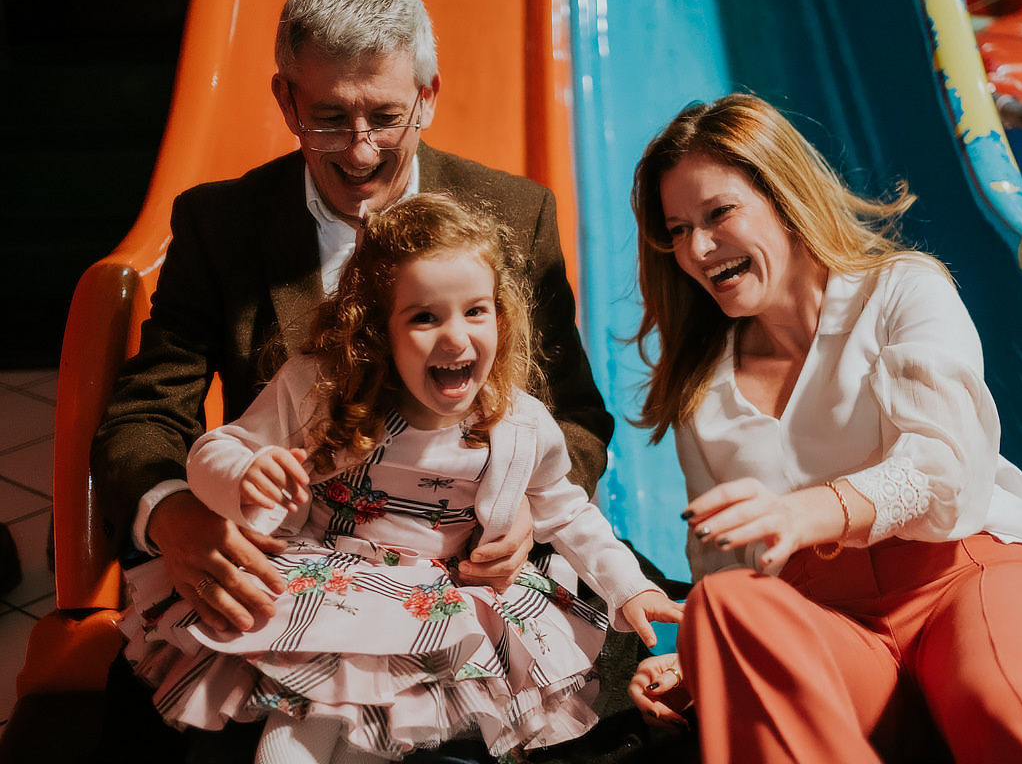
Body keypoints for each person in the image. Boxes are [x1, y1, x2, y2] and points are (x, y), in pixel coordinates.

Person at [90, 0, 613, 761]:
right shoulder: (219, 222)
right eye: (329, 118)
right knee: (148, 722)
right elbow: (146, 413)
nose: (361, 148)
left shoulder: (514, 212)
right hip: (294, 566)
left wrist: (527, 514)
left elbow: (574, 416)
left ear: (428, 97)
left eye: (386, 116)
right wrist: (175, 515)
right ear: (286, 101)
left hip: (461, 574)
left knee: (607, 713)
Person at [623, 94, 1022, 763]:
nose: (698, 247)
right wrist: (699, 660)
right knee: (725, 603)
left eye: (718, 213)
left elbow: (942, 469)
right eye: (678, 229)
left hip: (964, 576)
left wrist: (809, 513)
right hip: (835, 632)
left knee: (1004, 703)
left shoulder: (900, 291)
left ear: (785, 197)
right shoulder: (699, 391)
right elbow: (729, 568)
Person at [119, 194, 682, 764]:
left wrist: (628, 585)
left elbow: (567, 510)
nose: (456, 338)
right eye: (424, 317)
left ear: (501, 315)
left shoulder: (519, 425)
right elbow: (215, 449)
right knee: (291, 736)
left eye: (476, 311)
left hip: (433, 600)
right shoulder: (320, 388)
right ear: (376, 331)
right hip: (323, 580)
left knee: (370, 745)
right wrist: (244, 474)